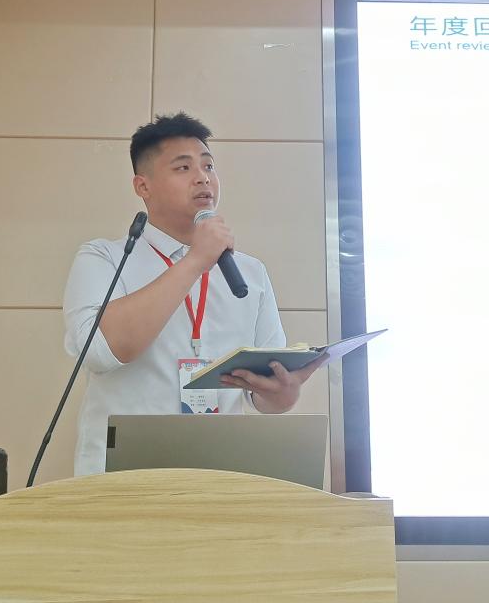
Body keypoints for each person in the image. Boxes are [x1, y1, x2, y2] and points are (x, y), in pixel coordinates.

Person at [63, 112, 324, 476]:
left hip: (220, 475)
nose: (203, 177)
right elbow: (103, 351)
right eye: (183, 168)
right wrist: (197, 260)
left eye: (208, 166)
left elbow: (263, 394)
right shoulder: (104, 258)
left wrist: (282, 395)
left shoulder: (250, 272)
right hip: (124, 479)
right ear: (143, 187)